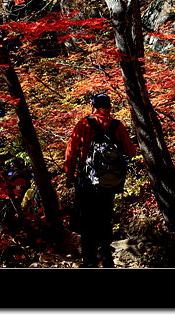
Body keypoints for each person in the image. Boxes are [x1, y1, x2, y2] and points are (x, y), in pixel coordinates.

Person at [64, 93, 137, 268]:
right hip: (109, 180)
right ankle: (107, 256)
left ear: (93, 107)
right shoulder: (117, 126)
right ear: (109, 107)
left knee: (87, 217)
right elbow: (131, 152)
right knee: (105, 216)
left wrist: (69, 175)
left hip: (86, 178)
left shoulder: (83, 124)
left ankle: (89, 260)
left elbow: (71, 151)